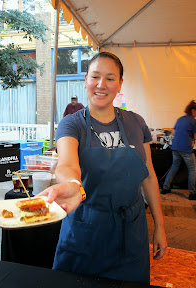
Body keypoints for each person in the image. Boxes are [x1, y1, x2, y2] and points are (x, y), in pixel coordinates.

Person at [39, 52, 167, 284]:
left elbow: (148, 176)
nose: (101, 85)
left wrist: (160, 226)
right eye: (95, 76)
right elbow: (67, 163)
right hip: (86, 232)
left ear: (120, 84)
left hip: (131, 232)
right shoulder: (72, 123)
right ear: (86, 79)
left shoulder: (136, 122)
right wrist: (72, 185)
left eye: (110, 78)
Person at [162, 100, 196, 200]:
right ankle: (192, 193)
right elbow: (195, 137)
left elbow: (173, 134)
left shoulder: (180, 119)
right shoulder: (193, 121)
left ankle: (165, 188)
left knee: (174, 167)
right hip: (185, 148)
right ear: (193, 110)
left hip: (175, 148)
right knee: (192, 169)